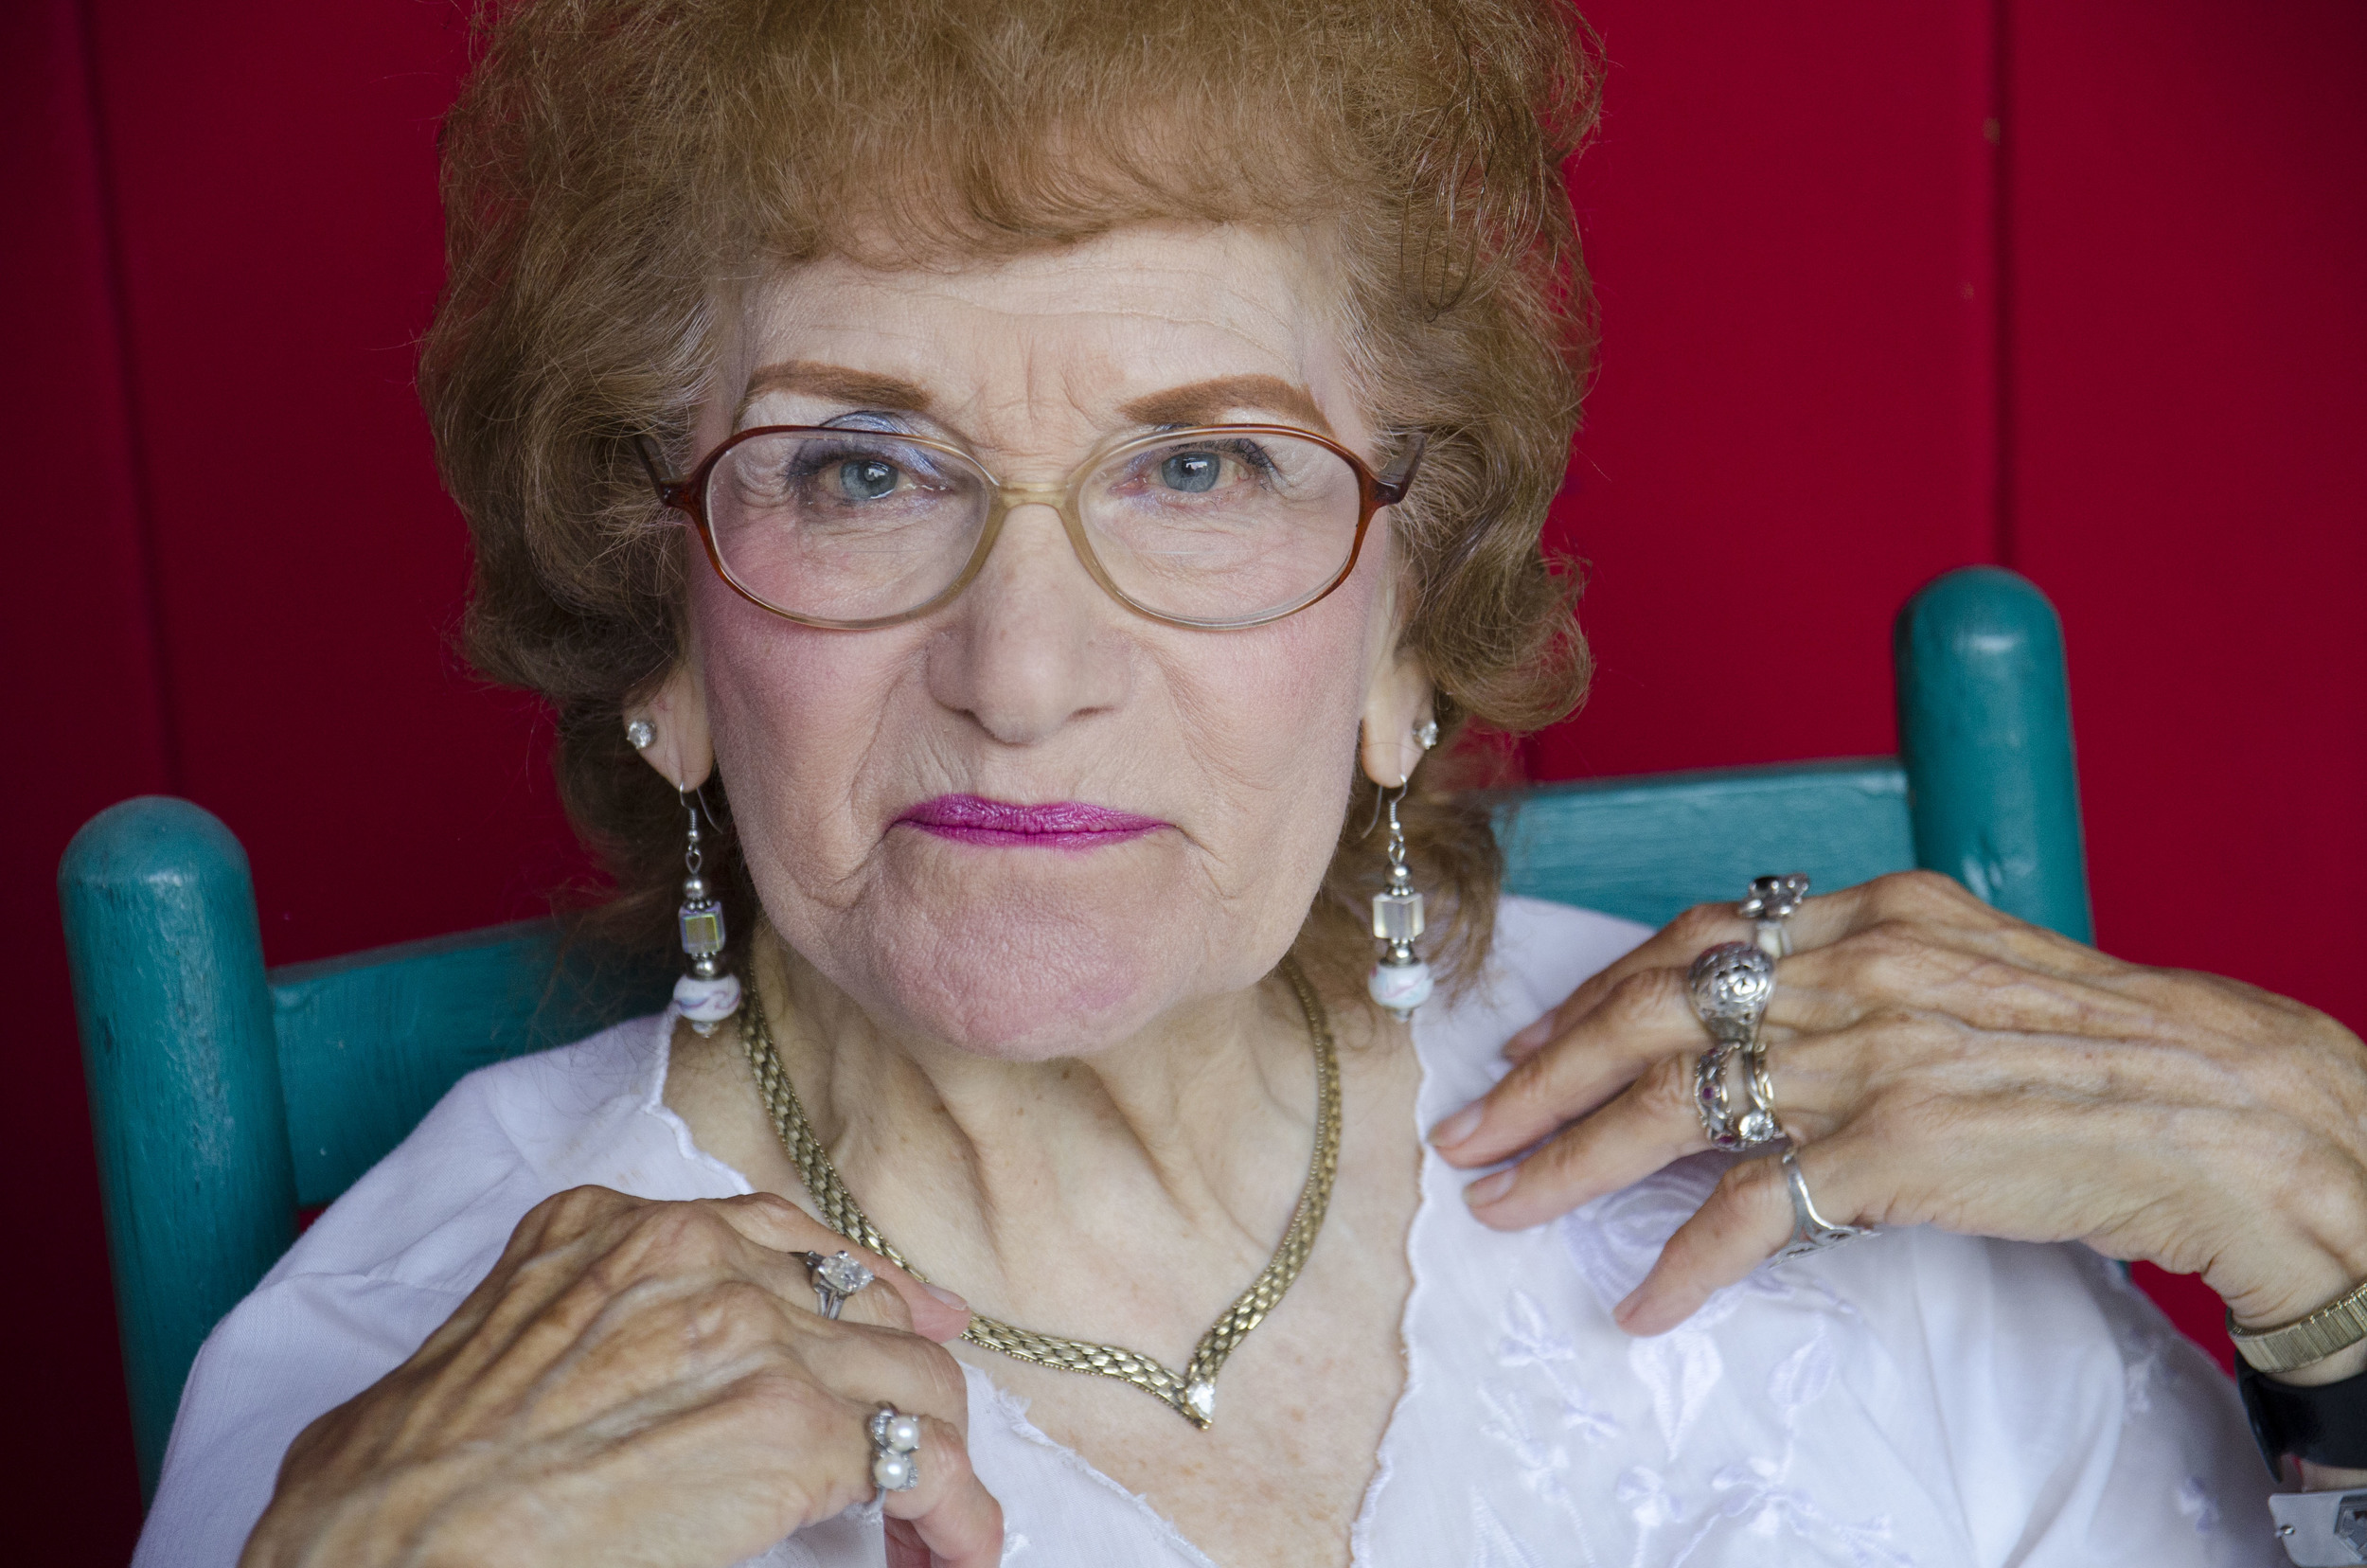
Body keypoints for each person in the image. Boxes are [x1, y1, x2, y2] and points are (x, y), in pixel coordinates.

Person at [132, 1, 2367, 1564]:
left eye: (1199, 465)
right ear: (665, 640)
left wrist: (2345, 1260)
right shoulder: (412, 1408)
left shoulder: (1812, 1138)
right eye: (857, 468)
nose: (1025, 674)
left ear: (1403, 630)